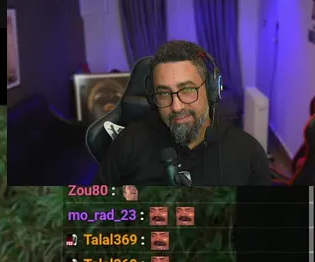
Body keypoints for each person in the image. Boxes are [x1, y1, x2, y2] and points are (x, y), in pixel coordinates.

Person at [97, 40, 270, 187]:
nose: (177, 107)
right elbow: (93, 209)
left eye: (187, 90)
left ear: (210, 90)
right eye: (164, 93)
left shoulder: (249, 154)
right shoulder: (128, 143)